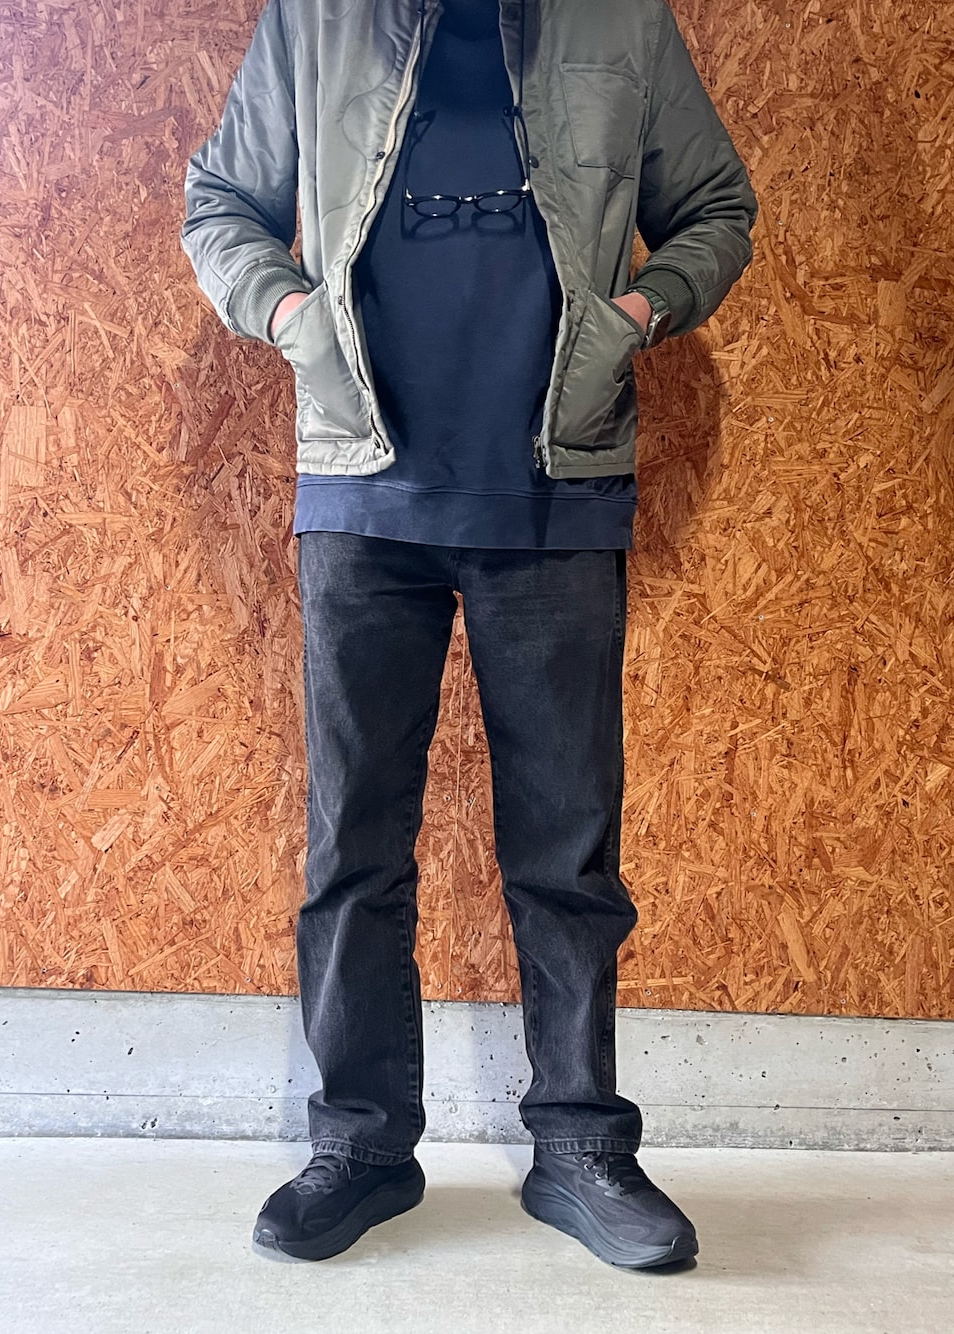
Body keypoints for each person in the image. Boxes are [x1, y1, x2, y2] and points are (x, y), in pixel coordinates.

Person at [181, 0, 757, 1270]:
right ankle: (361, 1146)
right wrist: (288, 316)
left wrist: (639, 312)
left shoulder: (622, 23)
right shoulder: (314, 22)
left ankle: (581, 1148)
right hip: (361, 491)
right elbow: (220, 201)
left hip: (557, 487)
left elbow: (718, 206)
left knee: (567, 850)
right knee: (352, 843)